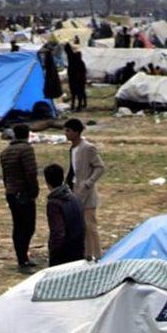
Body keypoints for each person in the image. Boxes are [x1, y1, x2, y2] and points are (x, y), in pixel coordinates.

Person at [0, 123, 40, 272]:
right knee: (28, 227)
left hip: (11, 193)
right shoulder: (26, 149)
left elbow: (5, 176)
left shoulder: (5, 152)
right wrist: (34, 191)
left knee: (18, 226)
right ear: (28, 134)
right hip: (23, 193)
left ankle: (22, 257)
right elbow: (31, 172)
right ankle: (23, 260)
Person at [64, 118, 105, 260]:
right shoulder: (73, 149)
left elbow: (100, 167)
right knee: (81, 225)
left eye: (68, 131)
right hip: (75, 190)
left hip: (86, 192)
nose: (66, 133)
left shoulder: (87, 148)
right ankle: (87, 254)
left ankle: (98, 255)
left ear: (76, 132)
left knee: (90, 225)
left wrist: (89, 182)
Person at [43, 163, 86, 266]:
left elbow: (58, 232)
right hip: (79, 248)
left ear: (47, 182)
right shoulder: (74, 197)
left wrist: (53, 252)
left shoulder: (54, 203)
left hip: (64, 254)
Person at [65, 43, 88, 112]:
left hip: (75, 78)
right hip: (77, 78)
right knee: (79, 92)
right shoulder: (79, 62)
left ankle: (77, 105)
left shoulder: (72, 60)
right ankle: (80, 104)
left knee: (76, 92)